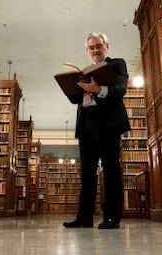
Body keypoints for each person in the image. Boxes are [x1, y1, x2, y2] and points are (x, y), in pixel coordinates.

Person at [63, 32, 130, 229]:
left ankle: (112, 216)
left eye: (99, 46)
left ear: (106, 47)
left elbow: (120, 89)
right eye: (91, 47)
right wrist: (74, 86)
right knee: (87, 173)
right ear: (87, 51)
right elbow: (75, 98)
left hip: (109, 124)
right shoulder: (83, 72)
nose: (95, 50)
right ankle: (84, 217)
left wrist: (97, 88)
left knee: (110, 170)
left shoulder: (117, 64)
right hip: (86, 125)